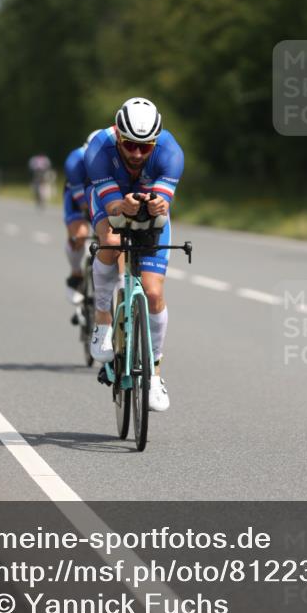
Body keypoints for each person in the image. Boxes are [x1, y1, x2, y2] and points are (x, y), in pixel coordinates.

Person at [85, 97, 184, 412]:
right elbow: (113, 208)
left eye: (146, 147)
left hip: (150, 212)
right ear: (118, 135)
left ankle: (154, 375)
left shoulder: (171, 152)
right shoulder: (98, 150)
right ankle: (102, 320)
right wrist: (121, 206)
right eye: (130, 145)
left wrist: (159, 204)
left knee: (154, 294)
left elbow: (164, 204)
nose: (138, 154)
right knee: (112, 242)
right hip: (108, 203)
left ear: (156, 141)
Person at [63, 130, 101, 304]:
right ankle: (76, 274)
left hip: (100, 194)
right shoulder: (74, 163)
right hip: (77, 198)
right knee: (80, 234)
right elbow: (84, 205)